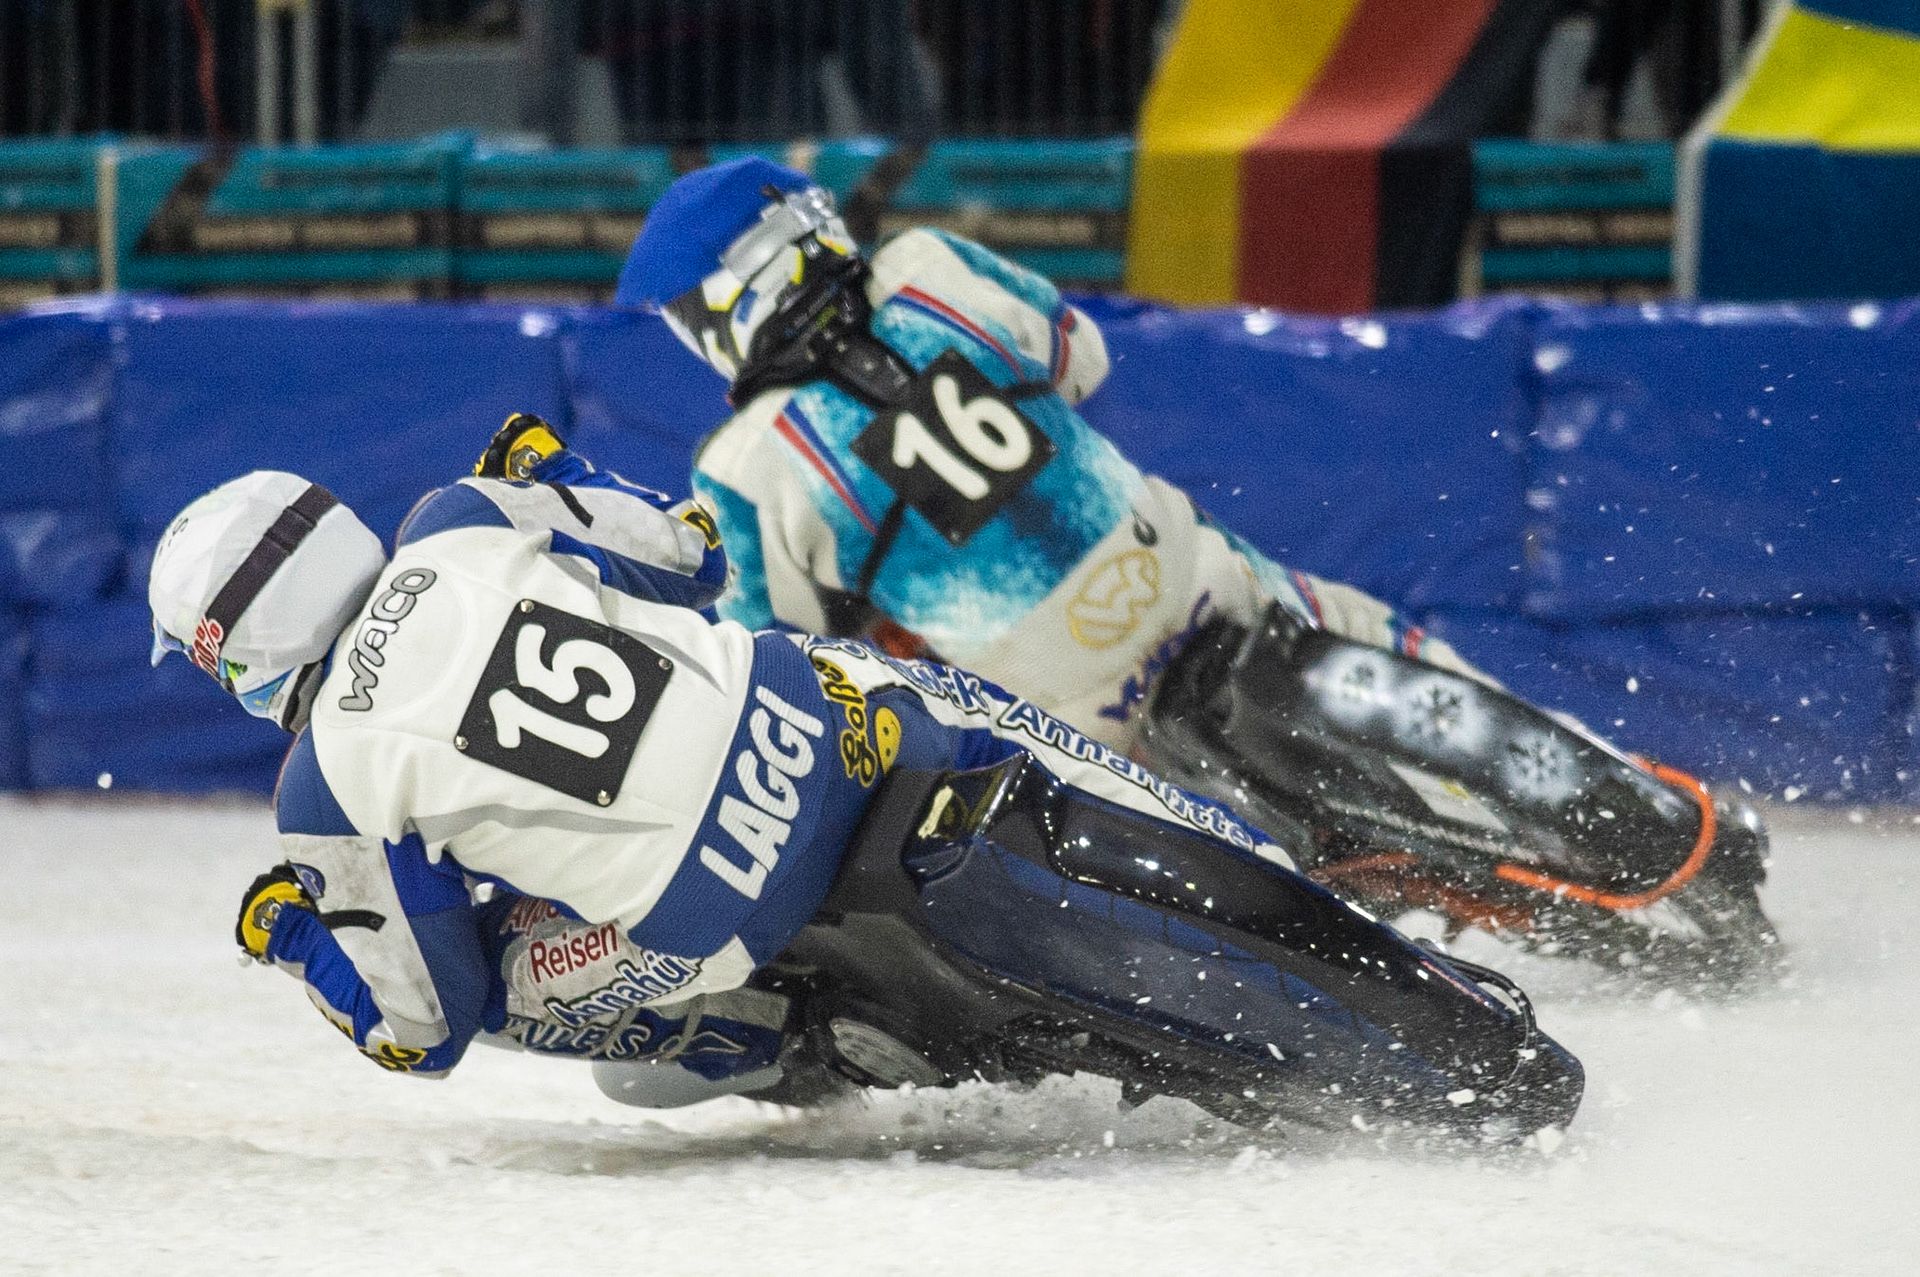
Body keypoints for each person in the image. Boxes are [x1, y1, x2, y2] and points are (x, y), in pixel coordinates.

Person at [148, 416, 1296, 1098]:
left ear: (229, 652)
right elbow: (694, 556)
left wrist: (291, 929)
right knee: (961, 706)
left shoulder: (320, 788)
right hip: (832, 726)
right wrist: (564, 481)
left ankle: (768, 1037)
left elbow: (425, 1026)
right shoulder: (462, 516)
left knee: (483, 977)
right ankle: (1256, 862)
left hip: (718, 913)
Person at [614, 157, 1494, 759]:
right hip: (1187, 570)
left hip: (1069, 707)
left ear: (725, 303)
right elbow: (1082, 359)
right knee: (1356, 623)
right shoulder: (929, 265)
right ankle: (1571, 756)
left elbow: (788, 656)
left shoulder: (741, 462)